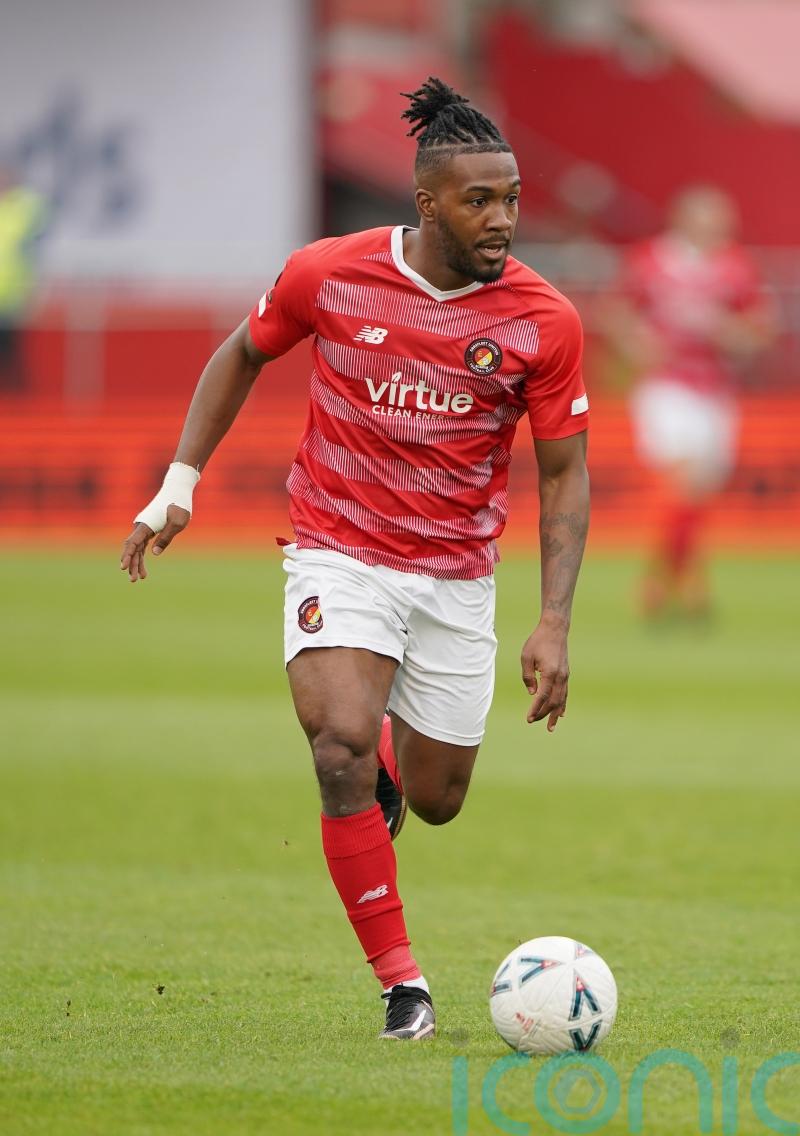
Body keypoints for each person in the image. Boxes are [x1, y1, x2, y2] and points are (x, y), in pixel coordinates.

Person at [120, 78, 590, 1041]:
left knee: (437, 799)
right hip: (340, 548)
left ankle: (388, 755)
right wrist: (179, 481)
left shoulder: (543, 321)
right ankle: (402, 986)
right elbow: (241, 352)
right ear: (427, 204)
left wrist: (553, 620)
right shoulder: (329, 273)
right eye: (479, 201)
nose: (502, 219)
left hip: (456, 574)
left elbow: (565, 475)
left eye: (510, 198)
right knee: (336, 745)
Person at [605, 186, 773, 620]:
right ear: (683, 219)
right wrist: (637, 344)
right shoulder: (651, 261)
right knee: (681, 480)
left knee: (697, 492)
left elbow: (760, 327)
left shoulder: (735, 268)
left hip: (715, 389)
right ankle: (680, 586)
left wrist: (733, 334)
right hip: (667, 385)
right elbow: (618, 312)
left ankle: (668, 575)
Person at [0, 165, 47, 393]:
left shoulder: (25, 206)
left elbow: (36, 237)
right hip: (10, 288)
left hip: (11, 291)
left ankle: (17, 396)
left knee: (10, 347)